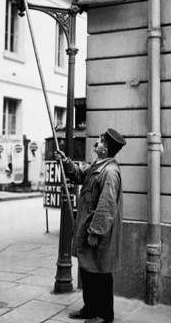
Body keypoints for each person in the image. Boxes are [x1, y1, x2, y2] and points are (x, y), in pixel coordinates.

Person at [55, 128, 126, 323]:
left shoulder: (110, 172)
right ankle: (90, 308)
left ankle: (104, 315)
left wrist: (95, 232)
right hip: (88, 229)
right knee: (88, 271)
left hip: (98, 233)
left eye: (101, 141)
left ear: (106, 149)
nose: (97, 142)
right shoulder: (98, 165)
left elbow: (107, 206)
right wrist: (66, 161)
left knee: (101, 274)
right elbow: (78, 174)